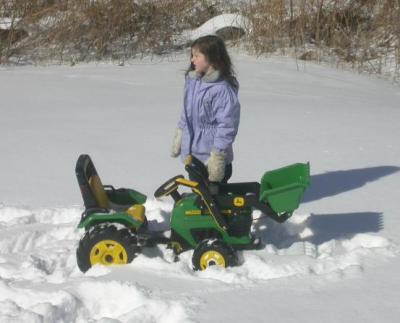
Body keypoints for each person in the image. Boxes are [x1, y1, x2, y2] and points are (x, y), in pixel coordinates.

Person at [171, 35, 240, 183]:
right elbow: (187, 113)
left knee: (213, 201)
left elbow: (227, 125)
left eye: (197, 56)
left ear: (212, 58)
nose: (192, 60)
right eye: (192, 55)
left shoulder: (222, 90)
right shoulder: (193, 82)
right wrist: (180, 133)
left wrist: (218, 156)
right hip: (193, 156)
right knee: (201, 197)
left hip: (212, 160)